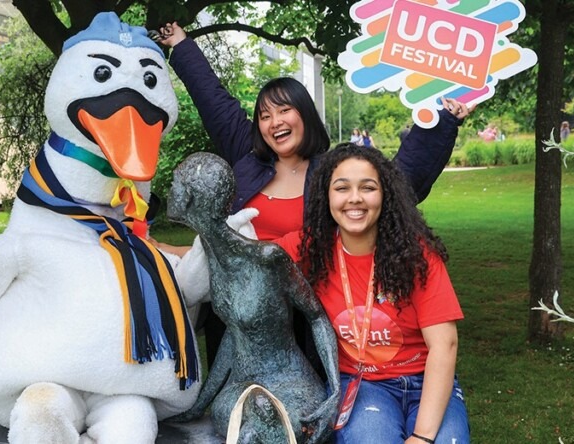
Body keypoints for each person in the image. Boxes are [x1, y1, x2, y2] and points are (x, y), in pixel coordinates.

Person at [154, 21, 472, 370]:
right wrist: (181, 44)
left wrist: (444, 121)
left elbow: (399, 182)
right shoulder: (247, 157)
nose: (274, 121)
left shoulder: (332, 173)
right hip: (239, 319)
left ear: (304, 114)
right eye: (265, 115)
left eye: (284, 110)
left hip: (306, 320)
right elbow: (214, 100)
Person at [275, 144, 470, 444]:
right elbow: (243, 258)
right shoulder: (310, 249)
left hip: (426, 378)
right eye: (342, 188)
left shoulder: (417, 256)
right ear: (327, 196)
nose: (355, 198)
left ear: (384, 195)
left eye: (368, 187)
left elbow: (445, 344)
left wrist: (422, 436)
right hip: (361, 383)